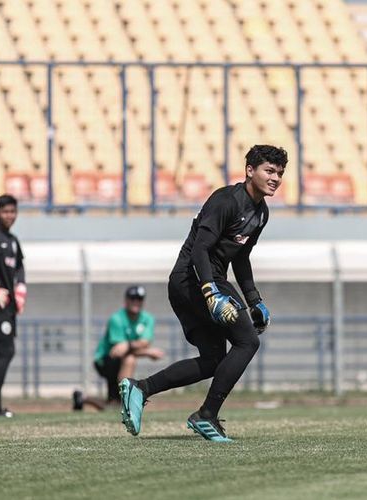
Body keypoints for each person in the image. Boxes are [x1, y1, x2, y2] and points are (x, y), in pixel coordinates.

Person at [118, 144, 287, 442]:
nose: (275, 178)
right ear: (250, 170)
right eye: (269, 171)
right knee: (247, 341)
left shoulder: (261, 213)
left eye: (280, 173)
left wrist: (254, 299)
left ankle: (140, 388)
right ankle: (206, 415)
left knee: (212, 360)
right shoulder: (225, 200)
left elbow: (241, 257)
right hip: (191, 279)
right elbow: (200, 250)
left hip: (206, 281)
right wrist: (212, 293)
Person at [73, 285, 163, 411]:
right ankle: (126, 398)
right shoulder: (117, 319)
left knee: (113, 405)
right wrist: (147, 352)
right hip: (105, 360)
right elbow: (118, 351)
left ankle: (82, 398)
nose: (136, 301)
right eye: (132, 298)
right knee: (130, 359)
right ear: (126, 300)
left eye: (139, 299)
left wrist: (130, 345)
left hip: (120, 361)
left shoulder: (148, 318)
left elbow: (144, 342)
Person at [0, 194, 26, 418]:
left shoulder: (13, 241)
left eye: (13, 211)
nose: (9, 216)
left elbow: (20, 269)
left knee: (3, 352)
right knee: (6, 351)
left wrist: (20, 293)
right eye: (5, 211)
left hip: (8, 307)